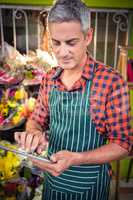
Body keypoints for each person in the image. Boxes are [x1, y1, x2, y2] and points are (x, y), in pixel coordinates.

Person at [15, 0, 133, 199]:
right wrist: (33, 133)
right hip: (52, 183)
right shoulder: (49, 79)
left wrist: (76, 159)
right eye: (56, 42)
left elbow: (123, 144)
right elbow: (36, 119)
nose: (62, 52)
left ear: (88, 36)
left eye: (71, 42)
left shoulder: (111, 82)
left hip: (90, 187)